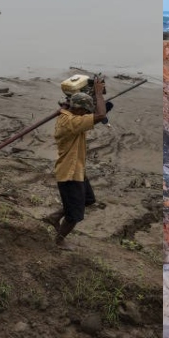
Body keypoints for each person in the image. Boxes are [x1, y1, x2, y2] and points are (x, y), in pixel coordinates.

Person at [43, 77, 108, 250]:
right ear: (78, 109)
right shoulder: (72, 122)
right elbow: (101, 115)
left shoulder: (69, 114)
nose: (87, 115)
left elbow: (95, 111)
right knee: (75, 215)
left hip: (76, 170)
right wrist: (99, 93)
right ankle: (59, 240)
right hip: (70, 173)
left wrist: (95, 93)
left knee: (88, 199)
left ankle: (55, 216)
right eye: (84, 111)